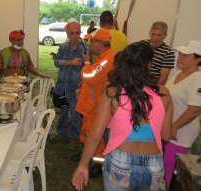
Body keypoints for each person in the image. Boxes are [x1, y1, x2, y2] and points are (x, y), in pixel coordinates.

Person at [72, 42, 173, 191]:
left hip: (121, 162)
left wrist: (83, 165)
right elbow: (166, 135)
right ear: (149, 64)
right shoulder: (164, 93)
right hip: (154, 165)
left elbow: (95, 135)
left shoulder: (113, 92)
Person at [71, 28, 114, 179]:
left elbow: (90, 76)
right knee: (87, 131)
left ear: (100, 43)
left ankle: (98, 164)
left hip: (96, 107)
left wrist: (87, 62)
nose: (89, 44)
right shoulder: (103, 57)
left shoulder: (107, 60)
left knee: (97, 136)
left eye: (91, 41)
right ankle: (86, 154)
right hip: (90, 104)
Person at [164, 40, 201, 190]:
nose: (180, 57)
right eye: (180, 54)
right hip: (170, 128)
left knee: (169, 168)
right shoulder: (179, 73)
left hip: (180, 132)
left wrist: (173, 127)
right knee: (165, 166)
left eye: (185, 55)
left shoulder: (197, 79)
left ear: (198, 60)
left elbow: (195, 110)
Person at [49, 22, 91, 151]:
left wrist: (84, 81)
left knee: (75, 115)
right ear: (67, 33)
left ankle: (74, 137)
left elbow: (90, 68)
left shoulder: (86, 49)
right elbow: (57, 62)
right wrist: (69, 62)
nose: (74, 35)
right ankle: (61, 133)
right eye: (72, 33)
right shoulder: (63, 47)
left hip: (75, 89)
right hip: (62, 87)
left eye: (77, 33)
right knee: (62, 113)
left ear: (80, 33)